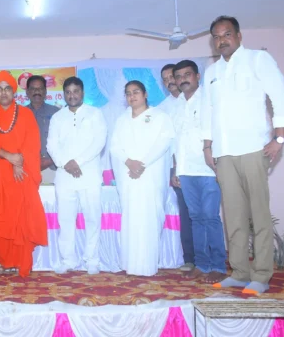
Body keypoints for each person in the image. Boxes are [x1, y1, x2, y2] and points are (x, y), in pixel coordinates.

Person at [202, 16, 284, 295]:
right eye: (217, 37)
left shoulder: (258, 60)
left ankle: (262, 275)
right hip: (223, 152)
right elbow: (207, 111)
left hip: (254, 148)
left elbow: (279, 96)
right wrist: (207, 146)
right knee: (233, 216)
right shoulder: (211, 71)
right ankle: (240, 272)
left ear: (239, 36)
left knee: (259, 215)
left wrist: (279, 138)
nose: (222, 40)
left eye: (227, 34)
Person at [0, 70, 48, 277]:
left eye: (7, 88)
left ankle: (22, 262)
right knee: (2, 220)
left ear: (14, 91)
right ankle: (4, 262)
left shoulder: (25, 114)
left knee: (21, 218)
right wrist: (8, 156)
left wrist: (19, 162)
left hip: (21, 175)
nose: (3, 92)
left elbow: (32, 144)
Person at [110, 80, 175, 276]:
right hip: (128, 176)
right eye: (128, 93)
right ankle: (129, 264)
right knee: (131, 218)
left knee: (149, 217)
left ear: (145, 94)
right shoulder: (121, 120)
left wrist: (142, 164)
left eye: (136, 92)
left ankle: (147, 266)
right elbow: (114, 146)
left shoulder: (160, 117)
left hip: (150, 176)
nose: (132, 96)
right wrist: (129, 162)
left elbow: (163, 143)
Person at [171, 60, 226, 284]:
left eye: (187, 74)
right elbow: (176, 141)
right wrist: (176, 169)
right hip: (185, 170)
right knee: (195, 218)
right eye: (179, 76)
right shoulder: (177, 106)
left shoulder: (209, 99)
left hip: (208, 169)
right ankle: (201, 264)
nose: (183, 79)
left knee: (210, 217)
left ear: (197, 76)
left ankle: (218, 266)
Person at [47, 76, 107, 274]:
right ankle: (68, 260)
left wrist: (77, 162)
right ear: (64, 94)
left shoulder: (95, 114)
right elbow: (51, 145)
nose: (72, 95)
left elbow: (99, 142)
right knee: (65, 220)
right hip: (64, 176)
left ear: (82, 93)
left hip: (89, 175)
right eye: (68, 92)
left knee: (92, 218)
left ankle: (92, 260)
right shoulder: (57, 117)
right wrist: (65, 163)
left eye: (75, 91)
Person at [159, 63, 195, 272]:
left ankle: (208, 258)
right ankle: (189, 257)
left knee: (204, 215)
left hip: (201, 167)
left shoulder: (196, 100)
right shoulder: (163, 109)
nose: (170, 82)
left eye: (172, 77)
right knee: (185, 213)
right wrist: (174, 170)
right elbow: (168, 143)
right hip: (177, 168)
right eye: (165, 80)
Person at [26, 75, 60, 184]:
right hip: (26, 170)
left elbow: (65, 141)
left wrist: (50, 160)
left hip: (52, 168)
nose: (37, 92)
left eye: (40, 88)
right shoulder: (20, 114)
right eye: (33, 89)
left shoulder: (56, 113)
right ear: (27, 92)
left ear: (45, 91)